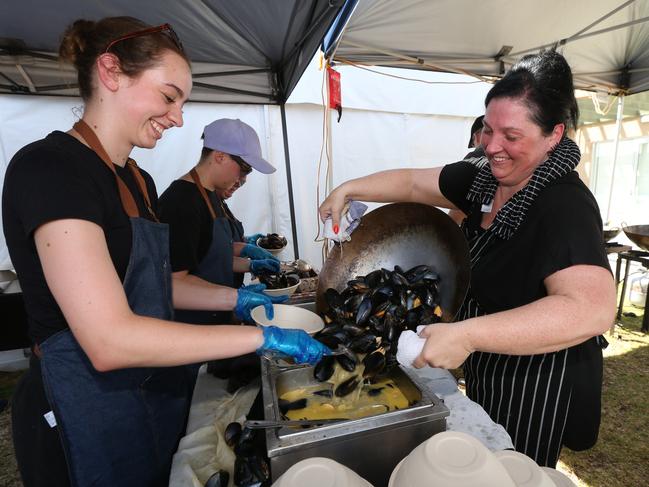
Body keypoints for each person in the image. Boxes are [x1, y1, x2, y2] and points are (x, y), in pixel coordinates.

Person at [2, 17, 329, 487]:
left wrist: (236, 300)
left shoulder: (139, 179)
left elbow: (165, 284)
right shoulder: (50, 169)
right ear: (111, 72)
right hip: (84, 405)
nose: (178, 117)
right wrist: (260, 339)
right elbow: (109, 340)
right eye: (169, 96)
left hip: (152, 390)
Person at [319, 50, 616, 467]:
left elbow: (592, 309)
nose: (493, 146)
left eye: (511, 136)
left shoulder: (564, 203)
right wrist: (348, 188)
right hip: (488, 362)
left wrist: (468, 335)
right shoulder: (484, 178)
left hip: (539, 376)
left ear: (554, 135)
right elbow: (411, 183)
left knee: (514, 467)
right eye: (488, 130)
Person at [158, 118, 280, 326]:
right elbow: (173, 284)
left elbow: (213, 260)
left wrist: (251, 266)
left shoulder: (211, 196)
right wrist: (235, 298)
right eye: (244, 169)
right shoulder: (181, 202)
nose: (244, 178)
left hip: (217, 317)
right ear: (220, 156)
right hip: (191, 327)